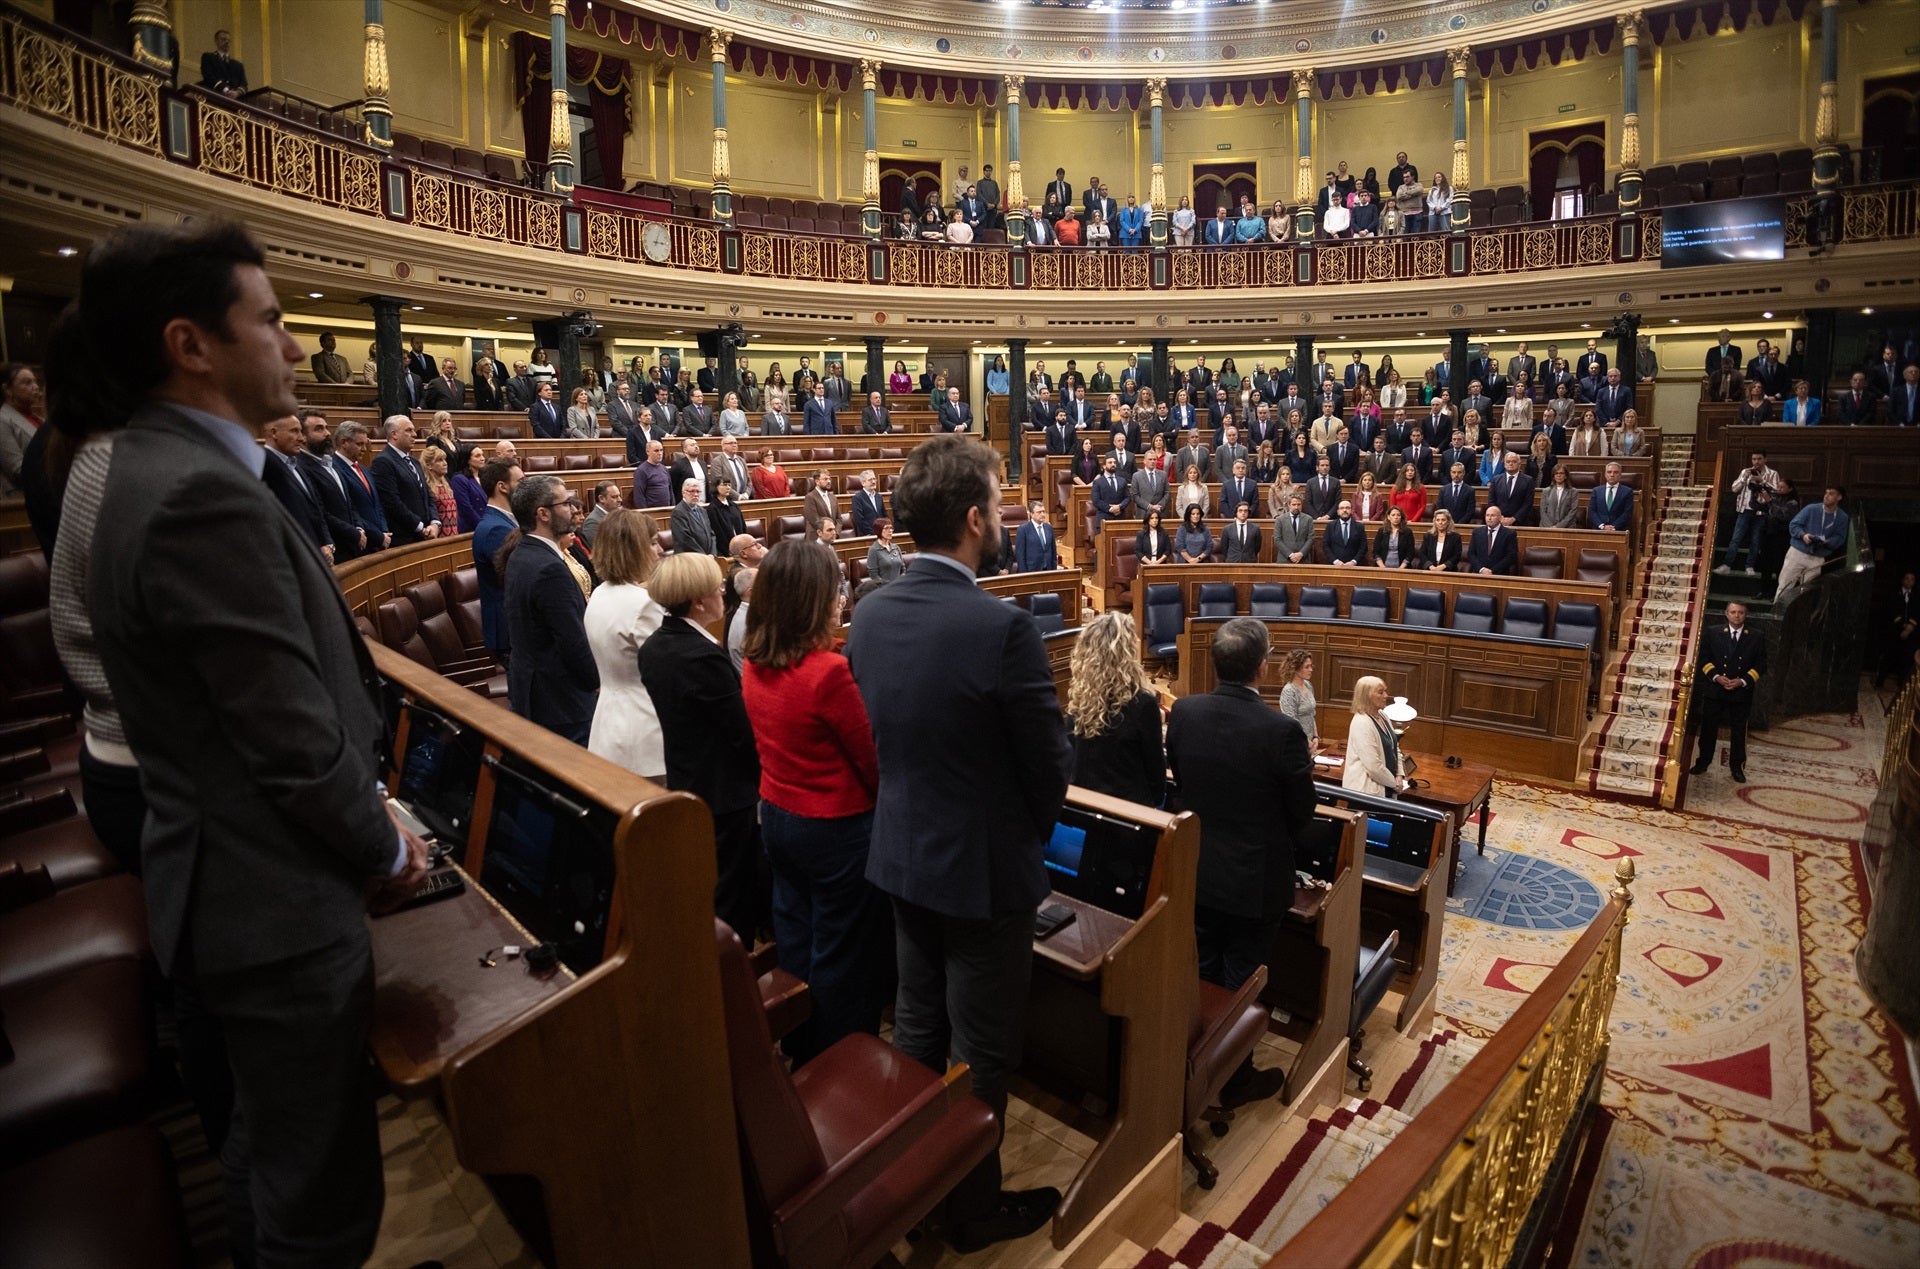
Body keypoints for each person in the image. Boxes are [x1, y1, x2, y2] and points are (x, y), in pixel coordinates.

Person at [79, 220, 423, 1267]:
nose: (293, 342)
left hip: (231, 890)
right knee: (319, 1206)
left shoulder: (150, 467)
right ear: (193, 345)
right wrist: (391, 845)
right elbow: (288, 746)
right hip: (269, 910)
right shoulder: (194, 495)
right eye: (269, 320)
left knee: (264, 1155)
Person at [847, 434, 1071, 1252]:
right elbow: (1050, 767)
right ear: (976, 519)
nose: (1009, 512)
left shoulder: (869, 611)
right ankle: (971, 1209)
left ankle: (916, 1191)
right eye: (1002, 499)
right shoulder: (1000, 626)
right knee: (983, 1051)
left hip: (901, 853)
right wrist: (1025, 841)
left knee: (915, 1029)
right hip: (980, 876)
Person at [741, 541, 887, 1066]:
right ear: (812, 599)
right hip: (835, 830)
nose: (840, 599)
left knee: (797, 941)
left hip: (778, 819)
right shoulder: (827, 672)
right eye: (833, 590)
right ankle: (840, 1066)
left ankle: (801, 1047)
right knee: (842, 955)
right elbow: (871, 762)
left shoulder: (756, 662)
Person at [1166, 617, 1315, 1104]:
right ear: (1264, 667)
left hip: (1197, 871)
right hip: (1255, 880)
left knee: (1203, 970)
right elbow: (1302, 814)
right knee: (1243, 977)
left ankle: (1192, 1069)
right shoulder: (1282, 731)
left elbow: (1183, 787)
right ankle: (1233, 1079)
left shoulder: (1184, 712)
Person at [642, 551, 762, 943]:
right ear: (697, 601)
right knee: (731, 893)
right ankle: (731, 982)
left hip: (688, 775)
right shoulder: (701, 657)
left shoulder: (657, 645)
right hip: (725, 789)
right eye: (717, 588)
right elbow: (741, 734)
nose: (722, 593)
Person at [500, 473, 598, 742]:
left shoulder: (522, 555)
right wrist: (597, 683)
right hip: (562, 705)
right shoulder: (549, 568)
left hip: (535, 693)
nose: (573, 509)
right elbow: (573, 642)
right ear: (543, 513)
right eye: (565, 504)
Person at [581, 509, 666, 781]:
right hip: (645, 727)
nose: (660, 550)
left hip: (608, 720)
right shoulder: (643, 603)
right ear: (634, 549)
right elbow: (670, 672)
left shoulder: (600, 593)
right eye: (652, 542)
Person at [1066, 612, 1164, 807]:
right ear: (1126, 653)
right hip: (1130, 815)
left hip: (1083, 808)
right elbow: (1156, 776)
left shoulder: (1079, 700)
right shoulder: (1143, 704)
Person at [1690, 602, 1765, 784]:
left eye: (1740, 612)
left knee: (1739, 732)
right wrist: (1716, 677)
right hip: (1715, 690)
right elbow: (1703, 659)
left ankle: (1737, 767)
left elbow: (1761, 665)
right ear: (1726, 614)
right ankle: (1703, 762)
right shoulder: (1713, 632)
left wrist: (1742, 680)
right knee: (1708, 729)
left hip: (1741, 692)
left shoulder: (1756, 636)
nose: (1737, 616)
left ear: (1745, 615)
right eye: (1733, 612)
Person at [370, 414, 442, 544]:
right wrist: (420, 527)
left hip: (427, 533)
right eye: (409, 430)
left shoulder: (415, 462)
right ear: (394, 434)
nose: (415, 434)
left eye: (414, 430)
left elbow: (428, 495)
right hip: (405, 538)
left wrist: (435, 523)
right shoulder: (383, 461)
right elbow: (391, 502)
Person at [1776, 484, 1849, 600]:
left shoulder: (1842, 517)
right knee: (1785, 586)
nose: (1826, 496)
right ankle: (1777, 615)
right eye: (1826, 493)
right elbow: (1794, 525)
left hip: (1818, 557)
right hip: (1798, 552)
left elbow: (1840, 537)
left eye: (1831, 494)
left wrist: (1827, 542)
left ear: (1839, 497)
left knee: (1806, 592)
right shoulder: (1811, 509)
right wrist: (1803, 535)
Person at [1342, 676, 1408, 796]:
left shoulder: (1382, 715)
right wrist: (1394, 783)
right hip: (1367, 792)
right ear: (1367, 696)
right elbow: (1373, 766)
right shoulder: (1361, 722)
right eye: (1380, 692)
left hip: (1388, 784)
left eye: (1385, 691)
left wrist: (1399, 774)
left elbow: (1395, 747)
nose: (1386, 695)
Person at [1278, 649, 1318, 747]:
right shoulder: (1289, 691)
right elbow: (1291, 722)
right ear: (1296, 669)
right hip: (1295, 743)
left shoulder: (1308, 685)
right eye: (1307, 667)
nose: (1311, 670)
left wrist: (1315, 737)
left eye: (1311, 666)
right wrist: (1305, 741)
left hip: (1310, 741)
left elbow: (1311, 714)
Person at [1468, 502, 1518, 575]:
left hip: (1499, 574)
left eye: (1493, 515)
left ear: (1500, 518)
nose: (1489, 518)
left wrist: (1492, 571)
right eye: (1487, 515)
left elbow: (1511, 556)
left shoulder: (1509, 534)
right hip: (1479, 573)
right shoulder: (1477, 532)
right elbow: (1471, 554)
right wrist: (1481, 569)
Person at [671, 476, 716, 555]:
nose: (695, 494)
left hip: (707, 557)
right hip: (689, 559)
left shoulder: (702, 510)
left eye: (698, 491)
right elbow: (684, 539)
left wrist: (712, 554)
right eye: (692, 491)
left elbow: (711, 534)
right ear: (683, 493)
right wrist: (703, 556)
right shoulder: (678, 512)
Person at [199, 28, 247, 94]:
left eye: (228, 40)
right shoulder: (208, 57)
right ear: (216, 41)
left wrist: (237, 93)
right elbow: (209, 77)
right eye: (223, 39)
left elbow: (244, 84)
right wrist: (225, 90)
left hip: (235, 101)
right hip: (215, 95)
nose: (227, 42)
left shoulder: (238, 65)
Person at [1015, 498, 1058, 572]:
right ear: (1031, 514)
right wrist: (1024, 575)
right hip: (1031, 571)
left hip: (1048, 570)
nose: (1042, 514)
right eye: (1039, 512)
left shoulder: (1049, 528)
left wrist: (1054, 570)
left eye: (1043, 512)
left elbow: (1053, 552)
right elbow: (1020, 555)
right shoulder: (1023, 529)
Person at [865, 517, 905, 583]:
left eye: (891, 528)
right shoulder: (874, 550)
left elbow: (903, 569)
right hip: (884, 589)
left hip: (899, 586)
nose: (890, 531)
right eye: (886, 528)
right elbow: (874, 575)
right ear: (879, 530)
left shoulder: (896, 547)